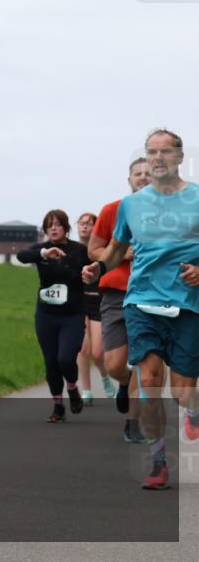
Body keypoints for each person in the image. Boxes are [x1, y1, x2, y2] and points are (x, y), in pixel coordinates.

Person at [83, 129, 199, 490]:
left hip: (187, 304)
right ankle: (159, 462)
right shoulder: (131, 205)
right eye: (152, 152)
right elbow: (117, 249)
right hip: (141, 302)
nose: (158, 158)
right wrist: (99, 267)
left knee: (182, 393)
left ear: (180, 157)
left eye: (166, 152)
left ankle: (193, 411)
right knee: (147, 381)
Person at [87, 157, 151, 443]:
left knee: (144, 363)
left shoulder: (167, 215)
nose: (143, 178)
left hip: (151, 295)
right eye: (138, 174)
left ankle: (133, 423)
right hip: (116, 293)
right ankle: (123, 383)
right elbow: (93, 250)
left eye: (148, 173)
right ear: (129, 180)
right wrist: (121, 254)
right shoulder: (113, 210)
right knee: (114, 364)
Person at [18, 210, 90, 422]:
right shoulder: (42, 250)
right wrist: (44, 254)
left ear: (66, 227)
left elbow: (94, 271)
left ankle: (72, 387)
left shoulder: (79, 250)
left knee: (65, 358)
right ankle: (58, 406)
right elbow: (21, 256)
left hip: (72, 315)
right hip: (46, 315)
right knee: (51, 361)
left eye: (58, 224)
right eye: (49, 225)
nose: (53, 228)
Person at [75, 212, 115, 405]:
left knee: (97, 352)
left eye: (89, 223)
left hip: (99, 303)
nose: (84, 226)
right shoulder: (72, 250)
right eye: (81, 223)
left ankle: (105, 377)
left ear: (96, 228)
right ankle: (86, 391)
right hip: (78, 303)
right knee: (82, 348)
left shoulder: (102, 252)